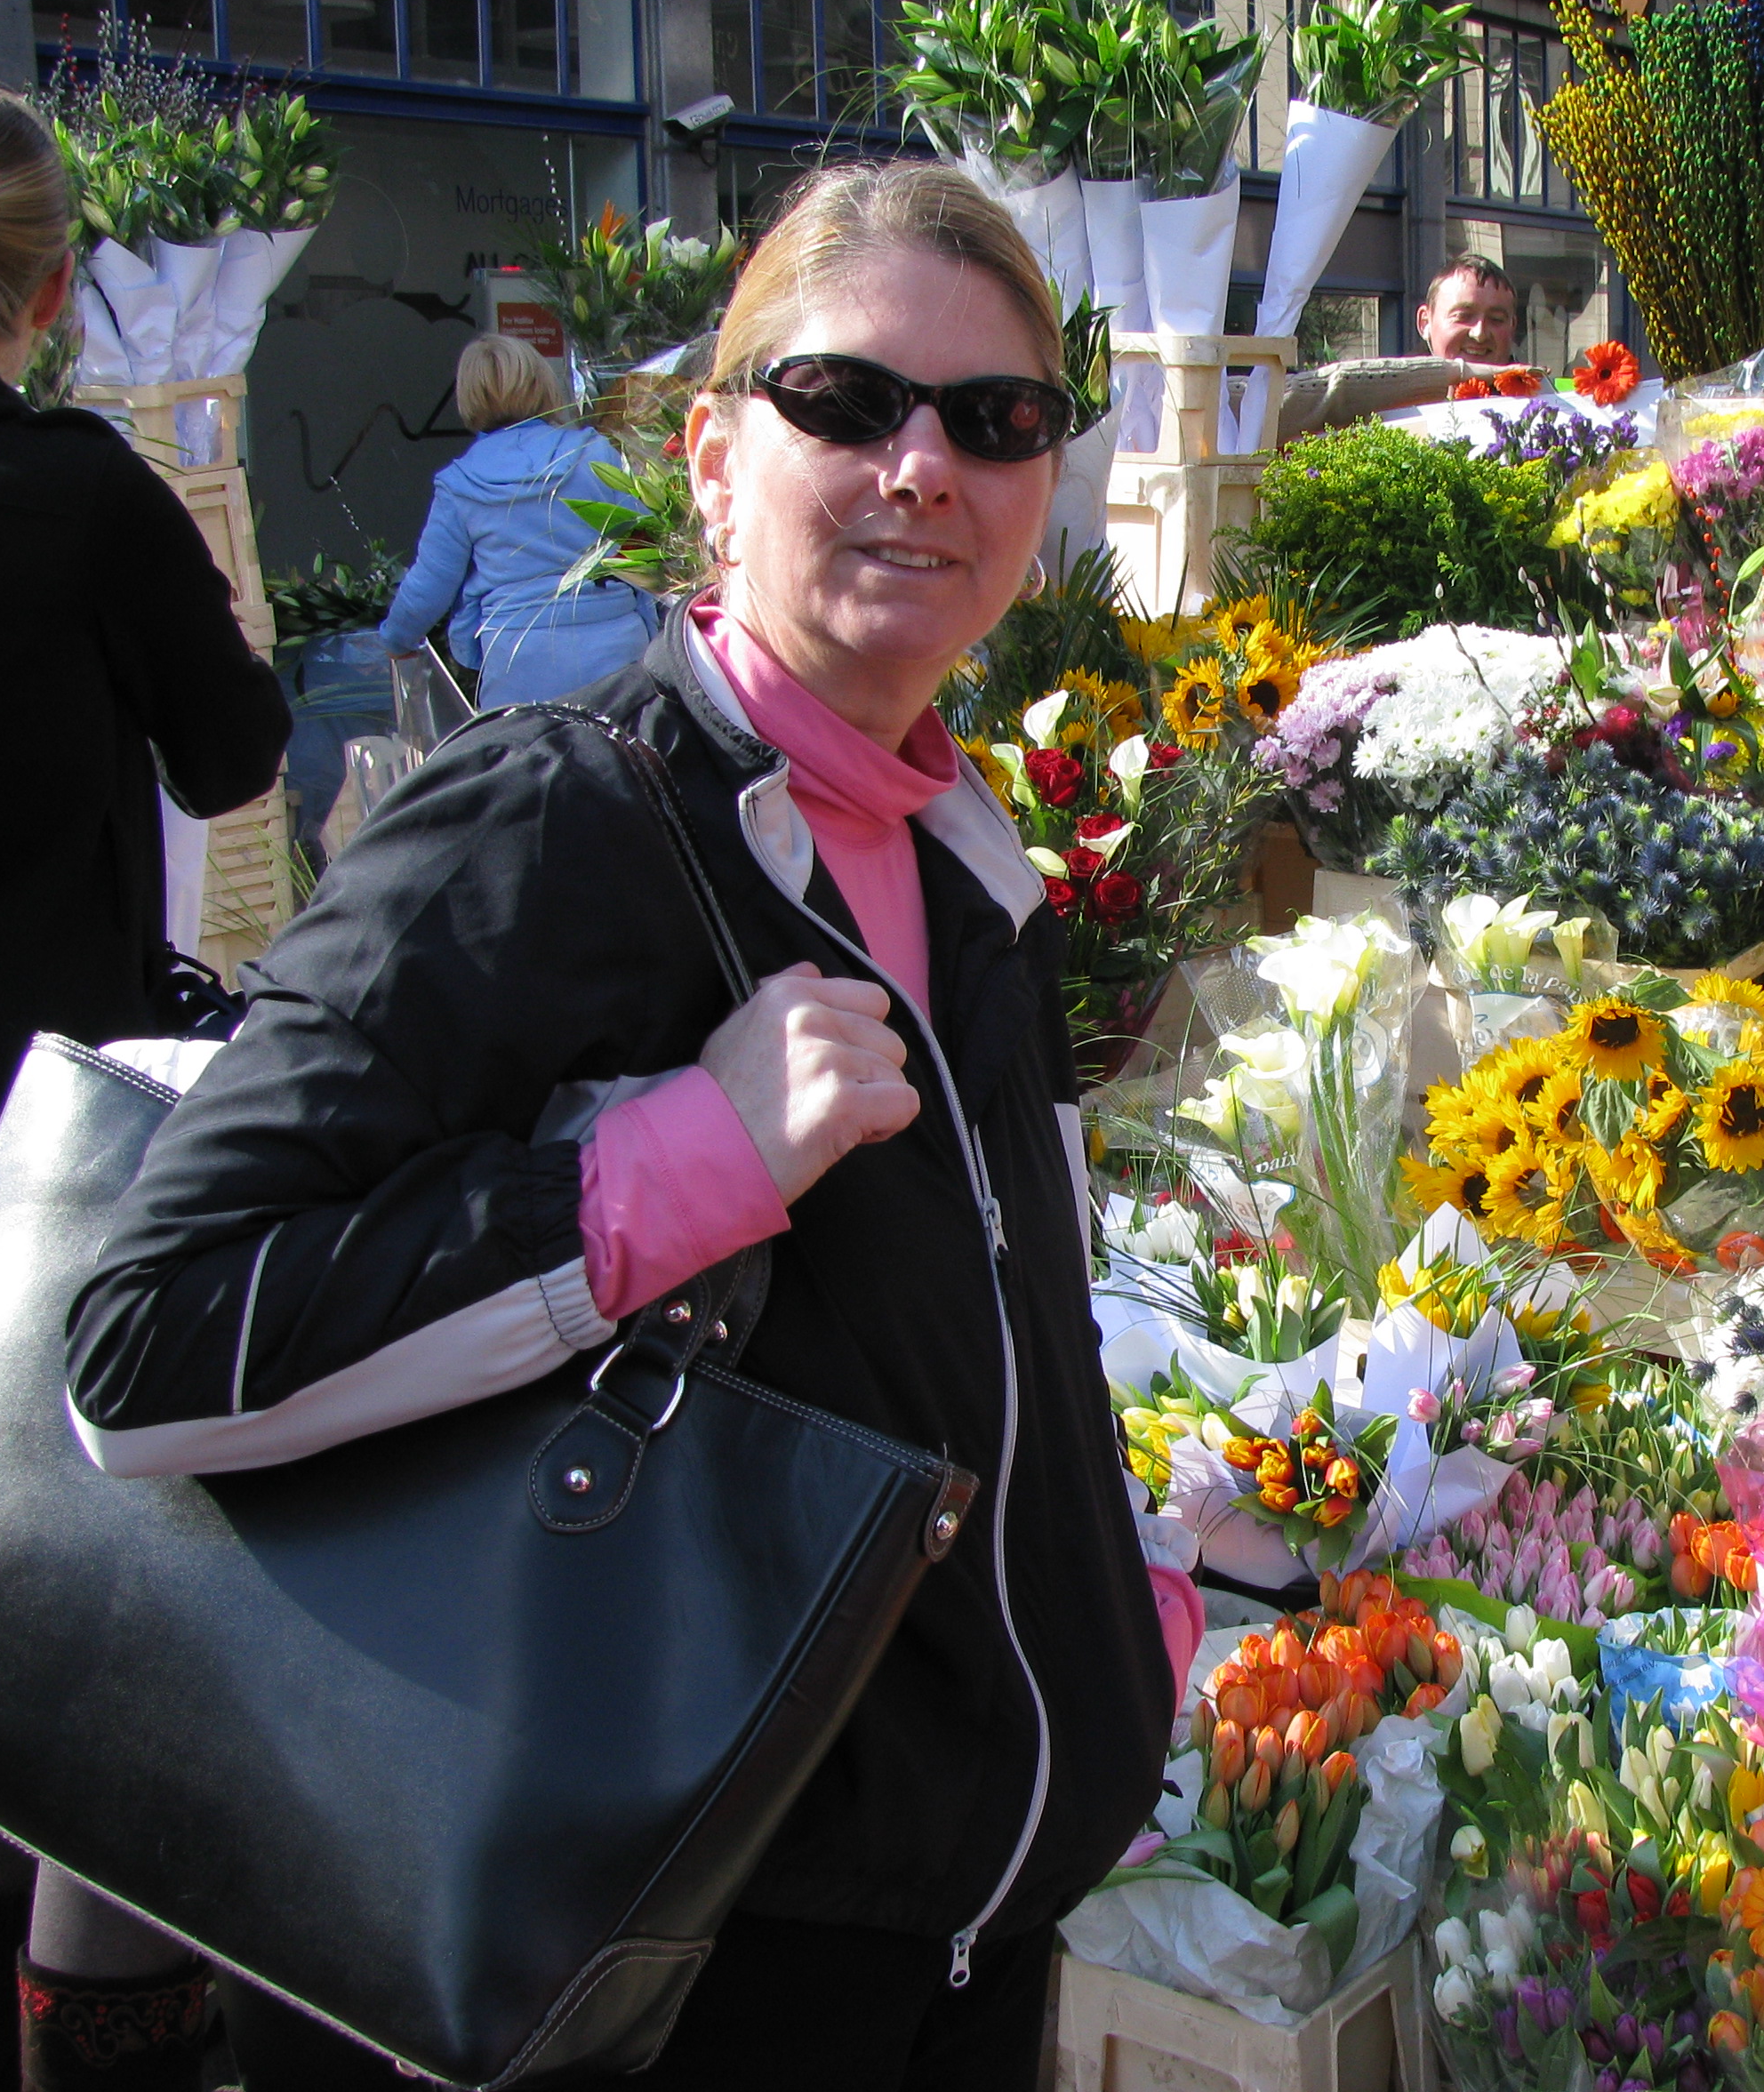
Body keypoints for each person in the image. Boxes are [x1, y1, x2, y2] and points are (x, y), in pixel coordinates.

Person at [62, 162, 1199, 2092]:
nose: (926, 467)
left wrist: (1091, 1588)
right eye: (848, 403)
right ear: (708, 459)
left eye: (997, 421)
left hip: (963, 1953)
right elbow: (149, 1346)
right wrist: (671, 1170)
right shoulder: (550, 828)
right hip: (681, 1982)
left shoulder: (957, 848)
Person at [0, 76, 289, 2092]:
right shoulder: (66, 489)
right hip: (33, 1156)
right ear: (50, 286)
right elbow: (236, 757)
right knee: (70, 1643)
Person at [375, 333, 660, 706]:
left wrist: (396, 640)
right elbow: (644, 548)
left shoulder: (460, 484)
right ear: (542, 385)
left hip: (518, 664)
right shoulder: (598, 454)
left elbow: (428, 587)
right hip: (619, 657)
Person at [1415, 252, 1518, 365]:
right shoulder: (1397, 381)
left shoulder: (1536, 382)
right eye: (1463, 316)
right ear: (1425, 323)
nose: (1479, 334)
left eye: (1496, 319)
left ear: (1512, 327)